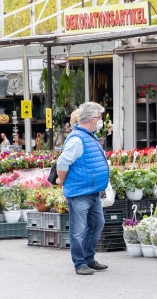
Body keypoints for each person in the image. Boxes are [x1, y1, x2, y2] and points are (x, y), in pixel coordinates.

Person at [56, 102, 109, 275]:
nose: (101, 121)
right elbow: (63, 162)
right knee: (78, 230)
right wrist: (61, 180)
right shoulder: (78, 139)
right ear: (92, 120)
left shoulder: (89, 135)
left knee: (97, 224)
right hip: (79, 193)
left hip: (92, 192)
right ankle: (80, 263)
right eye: (100, 118)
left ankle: (89, 258)